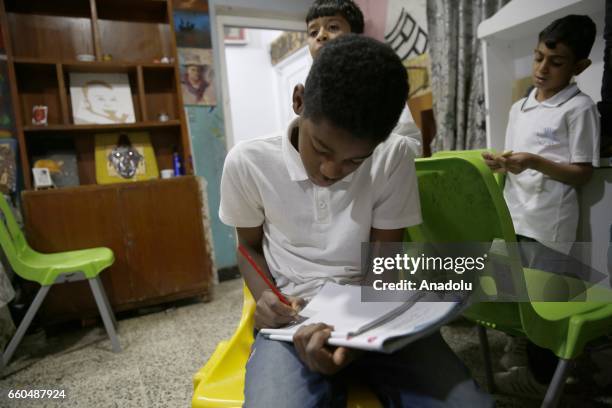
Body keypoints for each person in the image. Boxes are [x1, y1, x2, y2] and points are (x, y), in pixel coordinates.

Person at [220, 34, 492, 408]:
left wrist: (356, 337)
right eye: (321, 148)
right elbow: (247, 246)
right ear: (298, 101)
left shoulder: (392, 157)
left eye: (355, 161)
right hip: (293, 321)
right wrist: (266, 297)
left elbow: (383, 261)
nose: (331, 170)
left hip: (376, 310)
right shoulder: (248, 163)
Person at [482, 15, 600, 397]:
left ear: (580, 66)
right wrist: (503, 163)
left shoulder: (579, 108)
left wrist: (533, 161)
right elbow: (520, 158)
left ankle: (541, 378)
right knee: (514, 293)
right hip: (514, 213)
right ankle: (521, 351)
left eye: (556, 62)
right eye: (537, 58)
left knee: (546, 302)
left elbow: (581, 172)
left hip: (548, 224)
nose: (542, 68)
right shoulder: (521, 107)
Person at [305, 0, 423, 156]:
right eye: (313, 32)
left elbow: (413, 147)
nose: (320, 36)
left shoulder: (386, 83)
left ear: (356, 36)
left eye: (333, 27)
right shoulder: (308, 95)